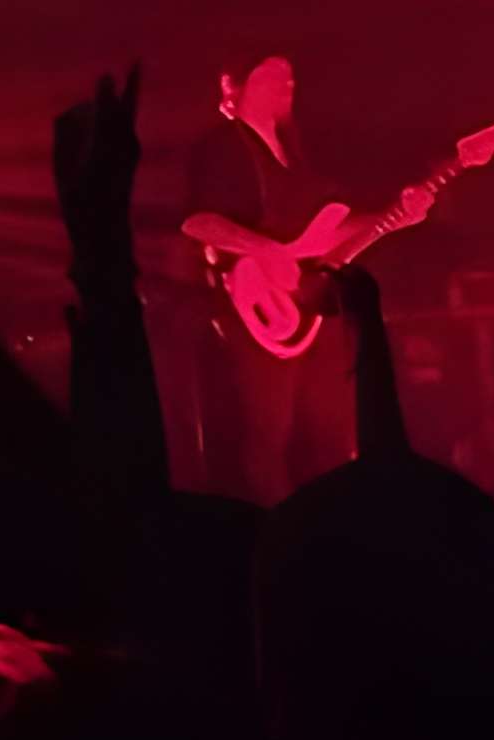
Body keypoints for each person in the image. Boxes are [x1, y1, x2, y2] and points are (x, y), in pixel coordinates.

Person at [178, 52, 427, 504]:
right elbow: (197, 223)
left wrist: (396, 218)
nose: (286, 85)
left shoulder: (298, 154)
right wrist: (267, 251)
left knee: (335, 429)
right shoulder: (219, 146)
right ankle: (272, 528)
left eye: (290, 77)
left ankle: (334, 523)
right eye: (272, 75)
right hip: (254, 302)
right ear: (236, 85)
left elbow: (329, 237)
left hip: (310, 302)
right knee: (267, 432)